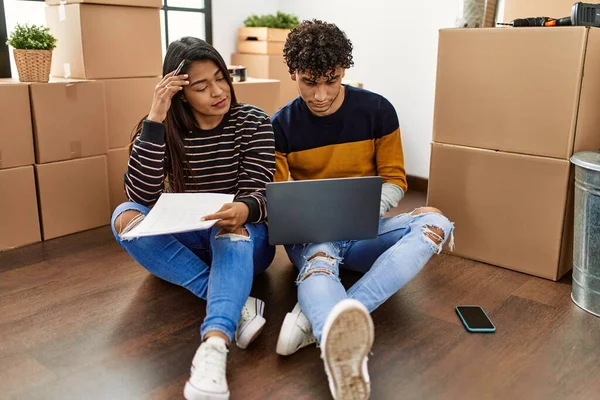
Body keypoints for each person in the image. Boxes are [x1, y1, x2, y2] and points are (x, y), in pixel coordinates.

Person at [271, 20, 454, 399]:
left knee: (435, 223)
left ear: (344, 71)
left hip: (365, 230)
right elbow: (279, 195)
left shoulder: (378, 111)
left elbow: (395, 179)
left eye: (332, 79)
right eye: (309, 82)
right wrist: (317, 224)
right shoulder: (280, 126)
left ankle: (316, 316)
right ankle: (338, 345)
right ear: (293, 74)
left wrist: (365, 212)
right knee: (321, 253)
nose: (321, 94)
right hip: (311, 237)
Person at [110, 37, 276, 400]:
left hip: (244, 238)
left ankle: (214, 345)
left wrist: (243, 209)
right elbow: (139, 196)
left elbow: (262, 191)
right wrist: (155, 116)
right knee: (124, 217)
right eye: (202, 86)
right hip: (189, 234)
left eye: (221, 78)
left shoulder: (253, 121)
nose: (218, 92)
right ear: (181, 93)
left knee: (229, 227)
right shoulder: (162, 128)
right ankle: (234, 300)